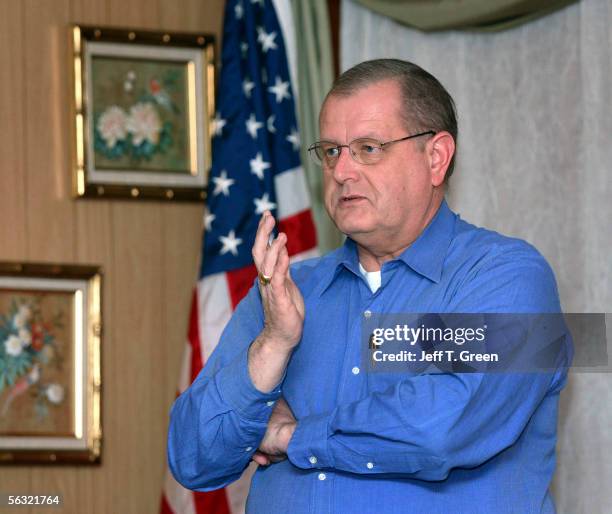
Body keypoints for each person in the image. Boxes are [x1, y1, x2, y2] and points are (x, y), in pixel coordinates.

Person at [168, 59, 571, 513]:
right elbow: (192, 459)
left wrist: (291, 436)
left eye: (369, 148)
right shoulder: (287, 289)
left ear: (436, 157)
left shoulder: (508, 277)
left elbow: (440, 429)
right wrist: (274, 345)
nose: (342, 172)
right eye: (331, 151)